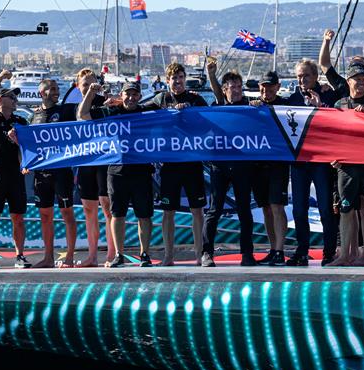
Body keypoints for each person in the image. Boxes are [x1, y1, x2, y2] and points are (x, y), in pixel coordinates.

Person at [79, 80, 156, 267]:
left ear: (139, 96)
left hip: (142, 171)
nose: (131, 98)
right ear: (121, 95)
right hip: (116, 171)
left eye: (134, 94)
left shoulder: (147, 112)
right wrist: (90, 92)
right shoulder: (111, 112)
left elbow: (168, 108)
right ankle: (119, 255)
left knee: (144, 215)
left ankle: (144, 254)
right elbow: (82, 115)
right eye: (127, 94)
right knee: (117, 214)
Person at [141, 62, 208, 266]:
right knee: (168, 212)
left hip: (192, 163)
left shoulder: (196, 99)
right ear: (167, 80)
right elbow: (138, 112)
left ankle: (199, 255)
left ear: (184, 79)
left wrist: (191, 114)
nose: (177, 82)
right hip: (169, 165)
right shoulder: (161, 99)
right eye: (173, 78)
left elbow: (210, 124)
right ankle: (168, 256)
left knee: (198, 211)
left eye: (180, 78)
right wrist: (118, 104)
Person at [329, 63, 364, 267]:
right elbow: (332, 134)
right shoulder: (340, 104)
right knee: (345, 209)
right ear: (348, 81)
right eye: (357, 79)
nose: (361, 82)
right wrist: (333, 156)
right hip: (347, 165)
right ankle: (345, 255)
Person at [202, 62, 256, 267]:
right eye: (232, 87)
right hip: (220, 166)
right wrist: (212, 74)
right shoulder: (218, 107)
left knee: (244, 210)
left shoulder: (250, 107)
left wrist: (259, 106)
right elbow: (216, 92)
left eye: (239, 87)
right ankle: (207, 253)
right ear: (225, 90)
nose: (236, 91)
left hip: (242, 166)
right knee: (214, 210)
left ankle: (247, 254)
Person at [285, 58, 338, 266]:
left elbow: (337, 119)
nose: (302, 80)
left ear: (316, 77)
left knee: (325, 208)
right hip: (299, 161)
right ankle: (302, 250)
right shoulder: (291, 99)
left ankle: (329, 251)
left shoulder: (328, 95)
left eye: (306, 75)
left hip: (321, 161)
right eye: (299, 76)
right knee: (299, 209)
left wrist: (320, 106)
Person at [0, 70, 31, 269]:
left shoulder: (20, 122)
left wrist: (19, 147)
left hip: (15, 174)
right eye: (12, 96)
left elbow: (27, 149)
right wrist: (0, 76)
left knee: (18, 216)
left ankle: (20, 255)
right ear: (1, 99)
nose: (16, 99)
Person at [30, 79, 78, 268]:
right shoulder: (35, 116)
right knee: (45, 216)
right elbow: (31, 144)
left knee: (67, 213)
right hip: (42, 174)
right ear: (42, 93)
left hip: (62, 172)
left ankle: (69, 257)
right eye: (52, 89)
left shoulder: (65, 111)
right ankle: (48, 257)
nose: (56, 92)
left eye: (57, 89)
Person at [69, 68, 114, 267]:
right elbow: (80, 115)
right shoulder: (76, 106)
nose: (88, 87)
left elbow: (87, 115)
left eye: (91, 83)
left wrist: (99, 94)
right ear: (78, 87)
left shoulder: (105, 103)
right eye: (84, 84)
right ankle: (92, 255)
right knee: (89, 209)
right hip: (86, 161)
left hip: (105, 160)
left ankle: (112, 254)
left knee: (107, 207)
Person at [249, 70, 290, 266]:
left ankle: (280, 250)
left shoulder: (286, 105)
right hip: (258, 166)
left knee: (277, 207)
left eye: (271, 86)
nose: (267, 90)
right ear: (260, 87)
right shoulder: (253, 106)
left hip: (278, 165)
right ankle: (273, 248)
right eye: (264, 86)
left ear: (278, 87)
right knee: (265, 208)